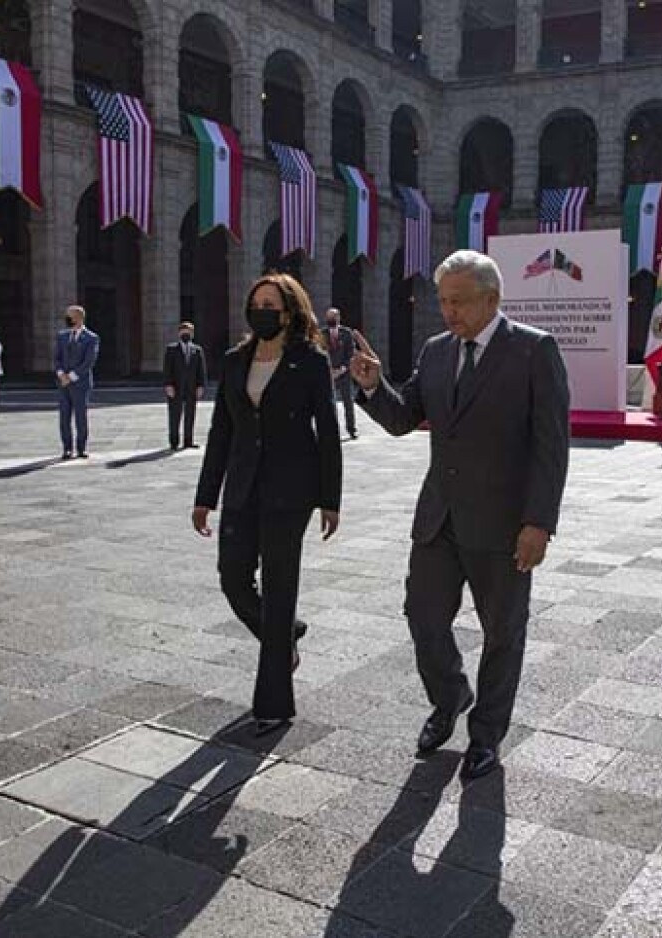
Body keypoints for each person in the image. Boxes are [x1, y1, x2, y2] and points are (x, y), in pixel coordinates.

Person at [351, 249, 570, 781]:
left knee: (502, 635)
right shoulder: (435, 351)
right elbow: (405, 419)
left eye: (459, 302)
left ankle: (486, 735)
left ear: (492, 299)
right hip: (438, 521)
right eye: (443, 301)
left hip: (504, 525)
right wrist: (373, 387)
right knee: (423, 618)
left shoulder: (533, 351)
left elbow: (551, 445)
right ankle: (450, 696)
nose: (448, 312)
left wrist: (538, 523)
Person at [192, 274, 342, 735]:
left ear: (289, 311)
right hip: (241, 488)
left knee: (280, 590)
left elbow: (328, 434)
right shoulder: (236, 361)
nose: (261, 310)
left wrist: (330, 500)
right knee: (233, 580)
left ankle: (273, 704)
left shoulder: (310, 361)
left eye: (270, 304)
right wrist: (204, 497)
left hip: (290, 493)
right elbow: (221, 432)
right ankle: (286, 636)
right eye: (255, 302)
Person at [54, 305, 100, 459]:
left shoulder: (91, 338)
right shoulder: (62, 336)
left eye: (70, 316)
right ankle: (67, 448)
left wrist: (71, 376)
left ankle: (81, 448)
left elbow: (89, 362)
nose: (67, 319)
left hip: (80, 383)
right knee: (64, 416)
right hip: (63, 383)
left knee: (80, 416)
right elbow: (57, 357)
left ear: (79, 318)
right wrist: (61, 374)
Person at [163, 321, 208, 450]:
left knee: (190, 414)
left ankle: (188, 441)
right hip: (175, 387)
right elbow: (167, 369)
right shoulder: (171, 349)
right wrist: (168, 385)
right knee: (174, 414)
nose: (186, 334)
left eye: (188, 332)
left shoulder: (197, 350)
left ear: (192, 334)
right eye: (183, 332)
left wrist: (201, 386)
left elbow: (201, 370)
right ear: (179, 333)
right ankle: (174, 441)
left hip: (191, 387)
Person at [323, 307, 358, 440]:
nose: (331, 319)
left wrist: (343, 368)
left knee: (348, 402)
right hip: (328, 374)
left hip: (344, 373)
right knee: (328, 404)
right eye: (329, 317)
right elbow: (320, 351)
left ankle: (352, 429)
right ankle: (331, 431)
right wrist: (329, 370)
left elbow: (351, 352)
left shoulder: (346, 333)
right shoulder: (322, 333)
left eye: (334, 317)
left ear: (338, 318)